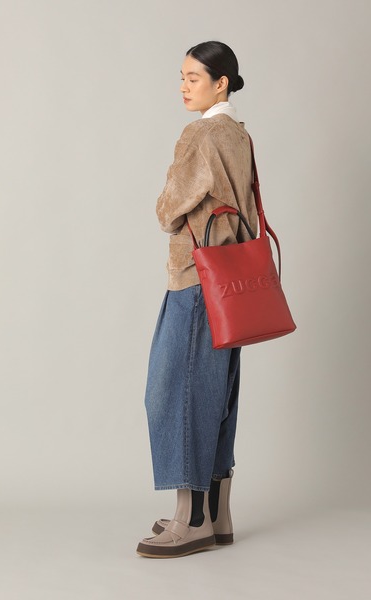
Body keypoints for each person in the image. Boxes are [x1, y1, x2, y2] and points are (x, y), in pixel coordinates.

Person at [136, 41, 257, 559]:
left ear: (220, 82)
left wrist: (167, 201)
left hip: (196, 279)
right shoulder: (238, 134)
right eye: (182, 77)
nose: (184, 87)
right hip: (232, 286)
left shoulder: (201, 134)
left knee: (175, 393)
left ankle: (192, 521)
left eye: (193, 78)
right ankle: (217, 516)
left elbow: (168, 211)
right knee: (215, 395)